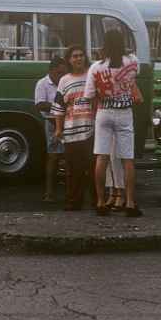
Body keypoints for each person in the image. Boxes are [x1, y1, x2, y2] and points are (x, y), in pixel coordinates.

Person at [83, 30, 143, 217]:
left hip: (104, 112)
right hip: (125, 113)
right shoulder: (132, 62)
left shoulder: (96, 68)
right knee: (127, 160)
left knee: (102, 158)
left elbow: (89, 96)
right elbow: (134, 81)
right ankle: (130, 203)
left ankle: (101, 201)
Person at [51, 46, 95, 210]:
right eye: (74, 56)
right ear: (69, 60)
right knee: (72, 171)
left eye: (81, 55)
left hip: (91, 131)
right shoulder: (64, 80)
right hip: (71, 132)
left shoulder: (93, 76)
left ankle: (97, 201)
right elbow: (58, 108)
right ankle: (73, 202)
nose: (78, 58)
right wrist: (58, 129)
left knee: (93, 169)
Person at [35, 56, 68, 202]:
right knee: (53, 157)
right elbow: (40, 105)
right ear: (51, 71)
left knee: (70, 158)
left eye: (63, 73)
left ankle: (71, 192)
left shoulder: (66, 82)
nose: (61, 76)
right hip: (52, 122)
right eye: (59, 73)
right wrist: (60, 107)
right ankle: (49, 193)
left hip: (69, 122)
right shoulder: (42, 83)